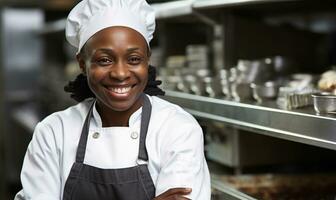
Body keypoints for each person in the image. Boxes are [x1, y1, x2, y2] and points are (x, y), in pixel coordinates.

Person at [14, 0, 211, 199]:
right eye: (104, 60)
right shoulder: (54, 133)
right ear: (82, 64)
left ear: (147, 60)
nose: (120, 73)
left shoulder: (177, 129)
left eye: (134, 59)